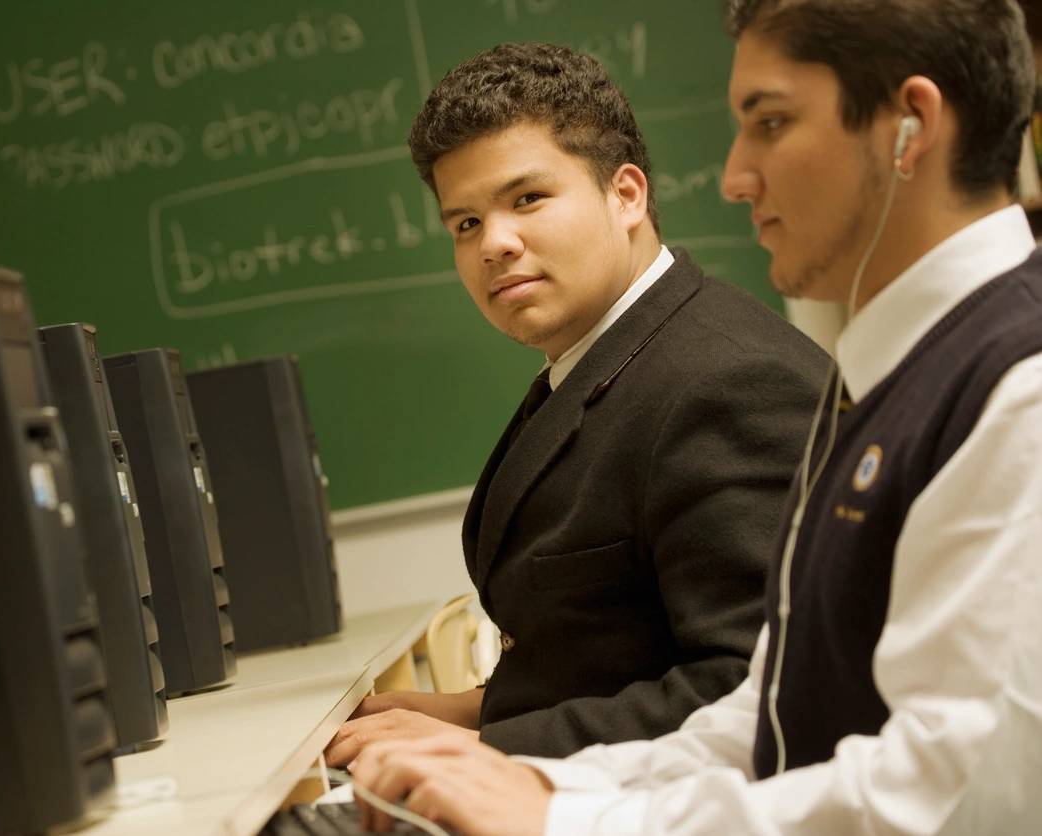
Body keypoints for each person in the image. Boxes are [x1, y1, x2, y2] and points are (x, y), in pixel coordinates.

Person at [348, 1, 1042, 834]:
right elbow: (775, 710)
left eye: (771, 122)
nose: (733, 176)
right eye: (465, 223)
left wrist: (562, 815)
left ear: (909, 127)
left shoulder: (1019, 385)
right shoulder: (898, 371)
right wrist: (545, 790)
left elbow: (968, 795)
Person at [325, 42, 826, 766]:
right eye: (464, 223)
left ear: (626, 194)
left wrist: (490, 743)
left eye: (526, 199)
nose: (493, 243)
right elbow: (616, 647)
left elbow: (754, 690)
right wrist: (473, 709)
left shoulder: (725, 382)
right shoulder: (607, 356)